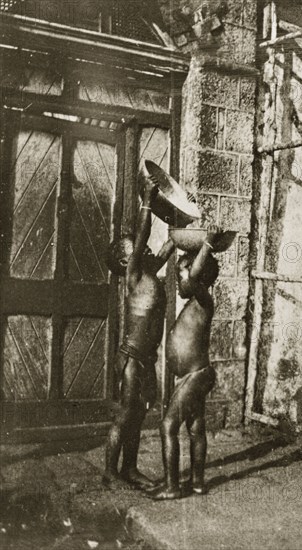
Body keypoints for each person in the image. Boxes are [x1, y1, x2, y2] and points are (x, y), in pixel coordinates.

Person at [103, 176, 176, 490]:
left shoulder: (150, 269)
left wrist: (184, 223)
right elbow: (145, 231)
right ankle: (109, 470)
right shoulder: (134, 276)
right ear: (124, 260)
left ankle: (129, 468)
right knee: (125, 414)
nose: (143, 244)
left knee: (138, 416)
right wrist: (147, 200)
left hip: (147, 359)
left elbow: (170, 243)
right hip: (132, 359)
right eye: (135, 246)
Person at [150, 226, 220, 500]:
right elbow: (191, 277)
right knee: (195, 427)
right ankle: (198, 482)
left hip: (195, 375)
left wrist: (208, 245)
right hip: (194, 374)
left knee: (168, 426)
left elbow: (191, 278)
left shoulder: (204, 301)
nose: (178, 280)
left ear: (197, 275)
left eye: (180, 273)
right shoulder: (195, 303)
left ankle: (171, 486)